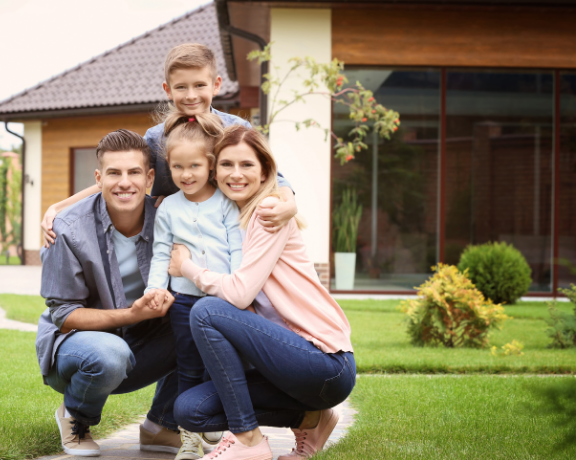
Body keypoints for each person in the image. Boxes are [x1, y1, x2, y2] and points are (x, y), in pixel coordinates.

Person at [167, 125, 356, 460]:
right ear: (214, 170)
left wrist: (188, 268)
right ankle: (311, 418)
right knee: (189, 410)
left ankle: (247, 440)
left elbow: (238, 295)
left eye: (246, 165)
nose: (235, 174)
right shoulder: (234, 219)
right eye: (226, 165)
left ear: (266, 170)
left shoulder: (269, 211)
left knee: (207, 311)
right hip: (288, 366)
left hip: (325, 363)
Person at [39, 43, 297, 249]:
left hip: (230, 232)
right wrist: (59, 207)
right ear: (168, 90)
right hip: (176, 236)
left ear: (216, 85)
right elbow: (121, 175)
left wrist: (289, 205)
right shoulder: (156, 137)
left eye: (199, 85)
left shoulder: (235, 129)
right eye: (181, 87)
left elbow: (274, 177)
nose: (191, 95)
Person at [37, 129, 182, 457]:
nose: (124, 182)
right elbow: (64, 316)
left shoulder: (168, 219)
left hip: (141, 344)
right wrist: (133, 314)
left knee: (205, 319)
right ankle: (76, 417)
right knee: (110, 353)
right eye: (114, 173)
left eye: (133, 173)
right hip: (78, 351)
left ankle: (162, 425)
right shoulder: (69, 229)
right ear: (99, 177)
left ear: (149, 178)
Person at [145, 110, 242, 460]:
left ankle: (214, 419)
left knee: (221, 364)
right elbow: (160, 254)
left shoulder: (228, 203)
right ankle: (189, 436)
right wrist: (155, 289)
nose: (186, 175)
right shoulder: (168, 207)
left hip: (221, 302)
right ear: (168, 167)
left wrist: (238, 290)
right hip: (184, 302)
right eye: (178, 168)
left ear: (211, 166)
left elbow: (238, 251)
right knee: (187, 366)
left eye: (195, 167)